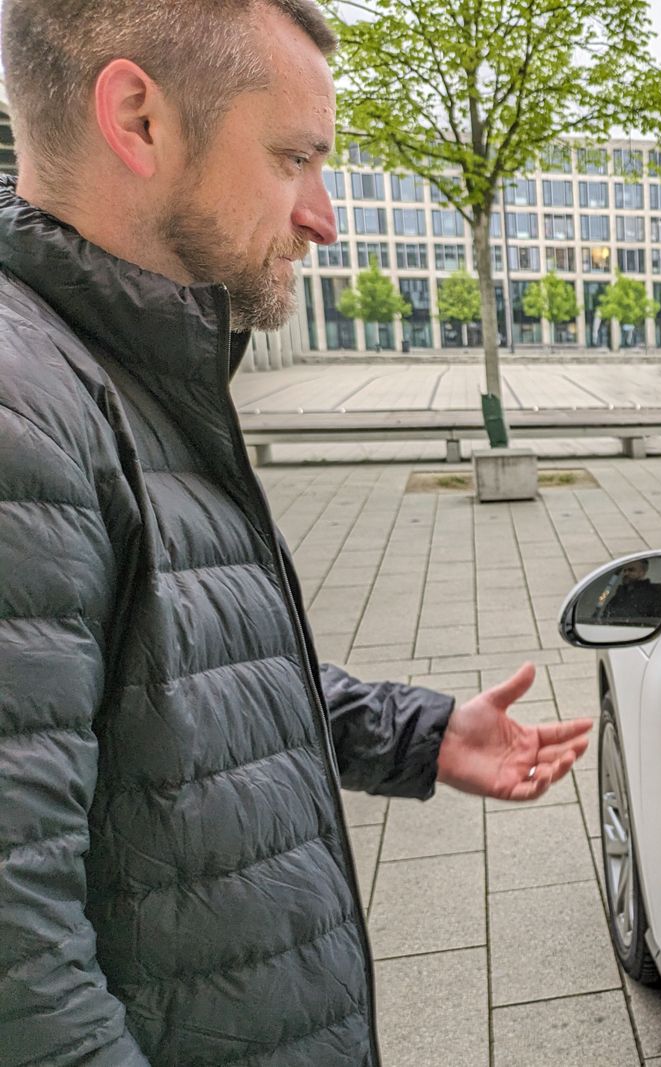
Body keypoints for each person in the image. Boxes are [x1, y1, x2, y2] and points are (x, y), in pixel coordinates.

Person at [0, 3, 592, 1065]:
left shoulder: (120, 374)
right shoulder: (27, 414)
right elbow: (19, 974)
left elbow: (164, 695)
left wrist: (412, 731)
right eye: (294, 158)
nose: (323, 216)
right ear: (137, 117)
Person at [598, 559, 661, 626]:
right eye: (625, 570)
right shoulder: (619, 594)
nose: (626, 573)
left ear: (642, 572)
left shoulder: (656, 592)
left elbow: (658, 620)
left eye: (631, 570)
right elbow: (605, 615)